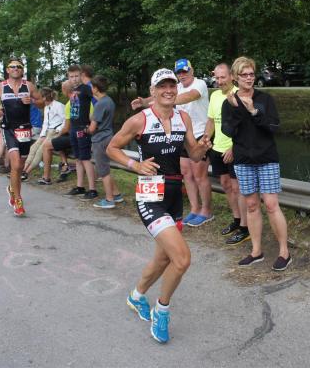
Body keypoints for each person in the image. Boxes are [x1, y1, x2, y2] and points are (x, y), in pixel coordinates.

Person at [107, 68, 211, 343]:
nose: (168, 90)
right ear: (152, 91)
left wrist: (203, 147)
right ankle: (161, 310)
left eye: (172, 86)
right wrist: (135, 165)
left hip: (174, 195)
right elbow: (111, 148)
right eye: (162, 86)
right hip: (150, 195)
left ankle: (136, 295)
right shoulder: (139, 120)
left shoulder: (183, 117)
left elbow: (194, 155)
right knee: (182, 259)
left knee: (163, 258)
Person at [221, 56, 291, 271]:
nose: (249, 78)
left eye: (251, 74)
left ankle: (284, 252)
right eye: (244, 75)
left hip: (266, 158)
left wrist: (254, 112)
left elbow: (274, 127)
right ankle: (256, 251)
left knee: (270, 204)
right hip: (243, 160)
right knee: (251, 205)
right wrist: (237, 109)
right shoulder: (229, 102)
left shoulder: (265, 99)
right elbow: (227, 131)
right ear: (235, 77)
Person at [132, 59, 213, 227]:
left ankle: (206, 211)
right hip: (178, 133)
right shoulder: (174, 90)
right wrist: (145, 101)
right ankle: (194, 208)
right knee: (186, 173)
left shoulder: (199, 84)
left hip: (199, 133)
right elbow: (161, 92)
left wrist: (166, 99)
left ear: (192, 70)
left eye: (185, 71)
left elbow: (188, 96)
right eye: (179, 72)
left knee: (199, 175)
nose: (182, 74)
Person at [0, 57, 44, 216]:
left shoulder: (29, 86)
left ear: (22, 70)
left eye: (19, 66)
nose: (15, 68)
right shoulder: (0, 87)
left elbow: (41, 102)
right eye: (12, 66)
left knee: (20, 167)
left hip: (25, 129)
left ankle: (12, 188)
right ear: (7, 70)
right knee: (16, 165)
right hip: (9, 129)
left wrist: (32, 101)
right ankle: (18, 200)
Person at [205, 62, 249, 245]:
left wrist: (233, 148)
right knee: (225, 185)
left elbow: (246, 128)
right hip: (217, 148)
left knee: (238, 188)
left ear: (231, 76)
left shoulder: (240, 95)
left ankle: (245, 228)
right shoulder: (215, 95)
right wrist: (206, 138)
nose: (220, 81)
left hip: (234, 149)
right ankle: (237, 220)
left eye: (223, 77)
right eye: (217, 77)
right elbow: (211, 121)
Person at [88, 75, 123, 209]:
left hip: (100, 140)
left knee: (103, 171)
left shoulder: (100, 104)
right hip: (109, 136)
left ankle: (109, 200)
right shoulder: (109, 101)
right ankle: (116, 194)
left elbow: (92, 128)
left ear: (96, 88)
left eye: (92, 87)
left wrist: (85, 129)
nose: (91, 89)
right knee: (105, 168)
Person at [65, 65, 97, 200]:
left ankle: (92, 189)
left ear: (81, 75)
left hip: (83, 128)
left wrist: (93, 123)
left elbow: (99, 101)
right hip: (73, 127)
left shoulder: (86, 88)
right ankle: (80, 186)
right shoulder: (73, 90)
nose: (74, 79)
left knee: (85, 159)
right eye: (71, 76)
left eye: (76, 76)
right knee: (78, 158)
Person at [23, 87, 65, 179]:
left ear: (44, 98)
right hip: (47, 132)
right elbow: (45, 123)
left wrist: (58, 130)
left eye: (40, 97)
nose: (38, 100)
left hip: (55, 131)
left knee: (40, 151)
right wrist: (42, 135)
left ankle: (26, 172)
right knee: (33, 148)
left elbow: (65, 120)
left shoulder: (58, 105)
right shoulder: (46, 107)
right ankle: (23, 169)